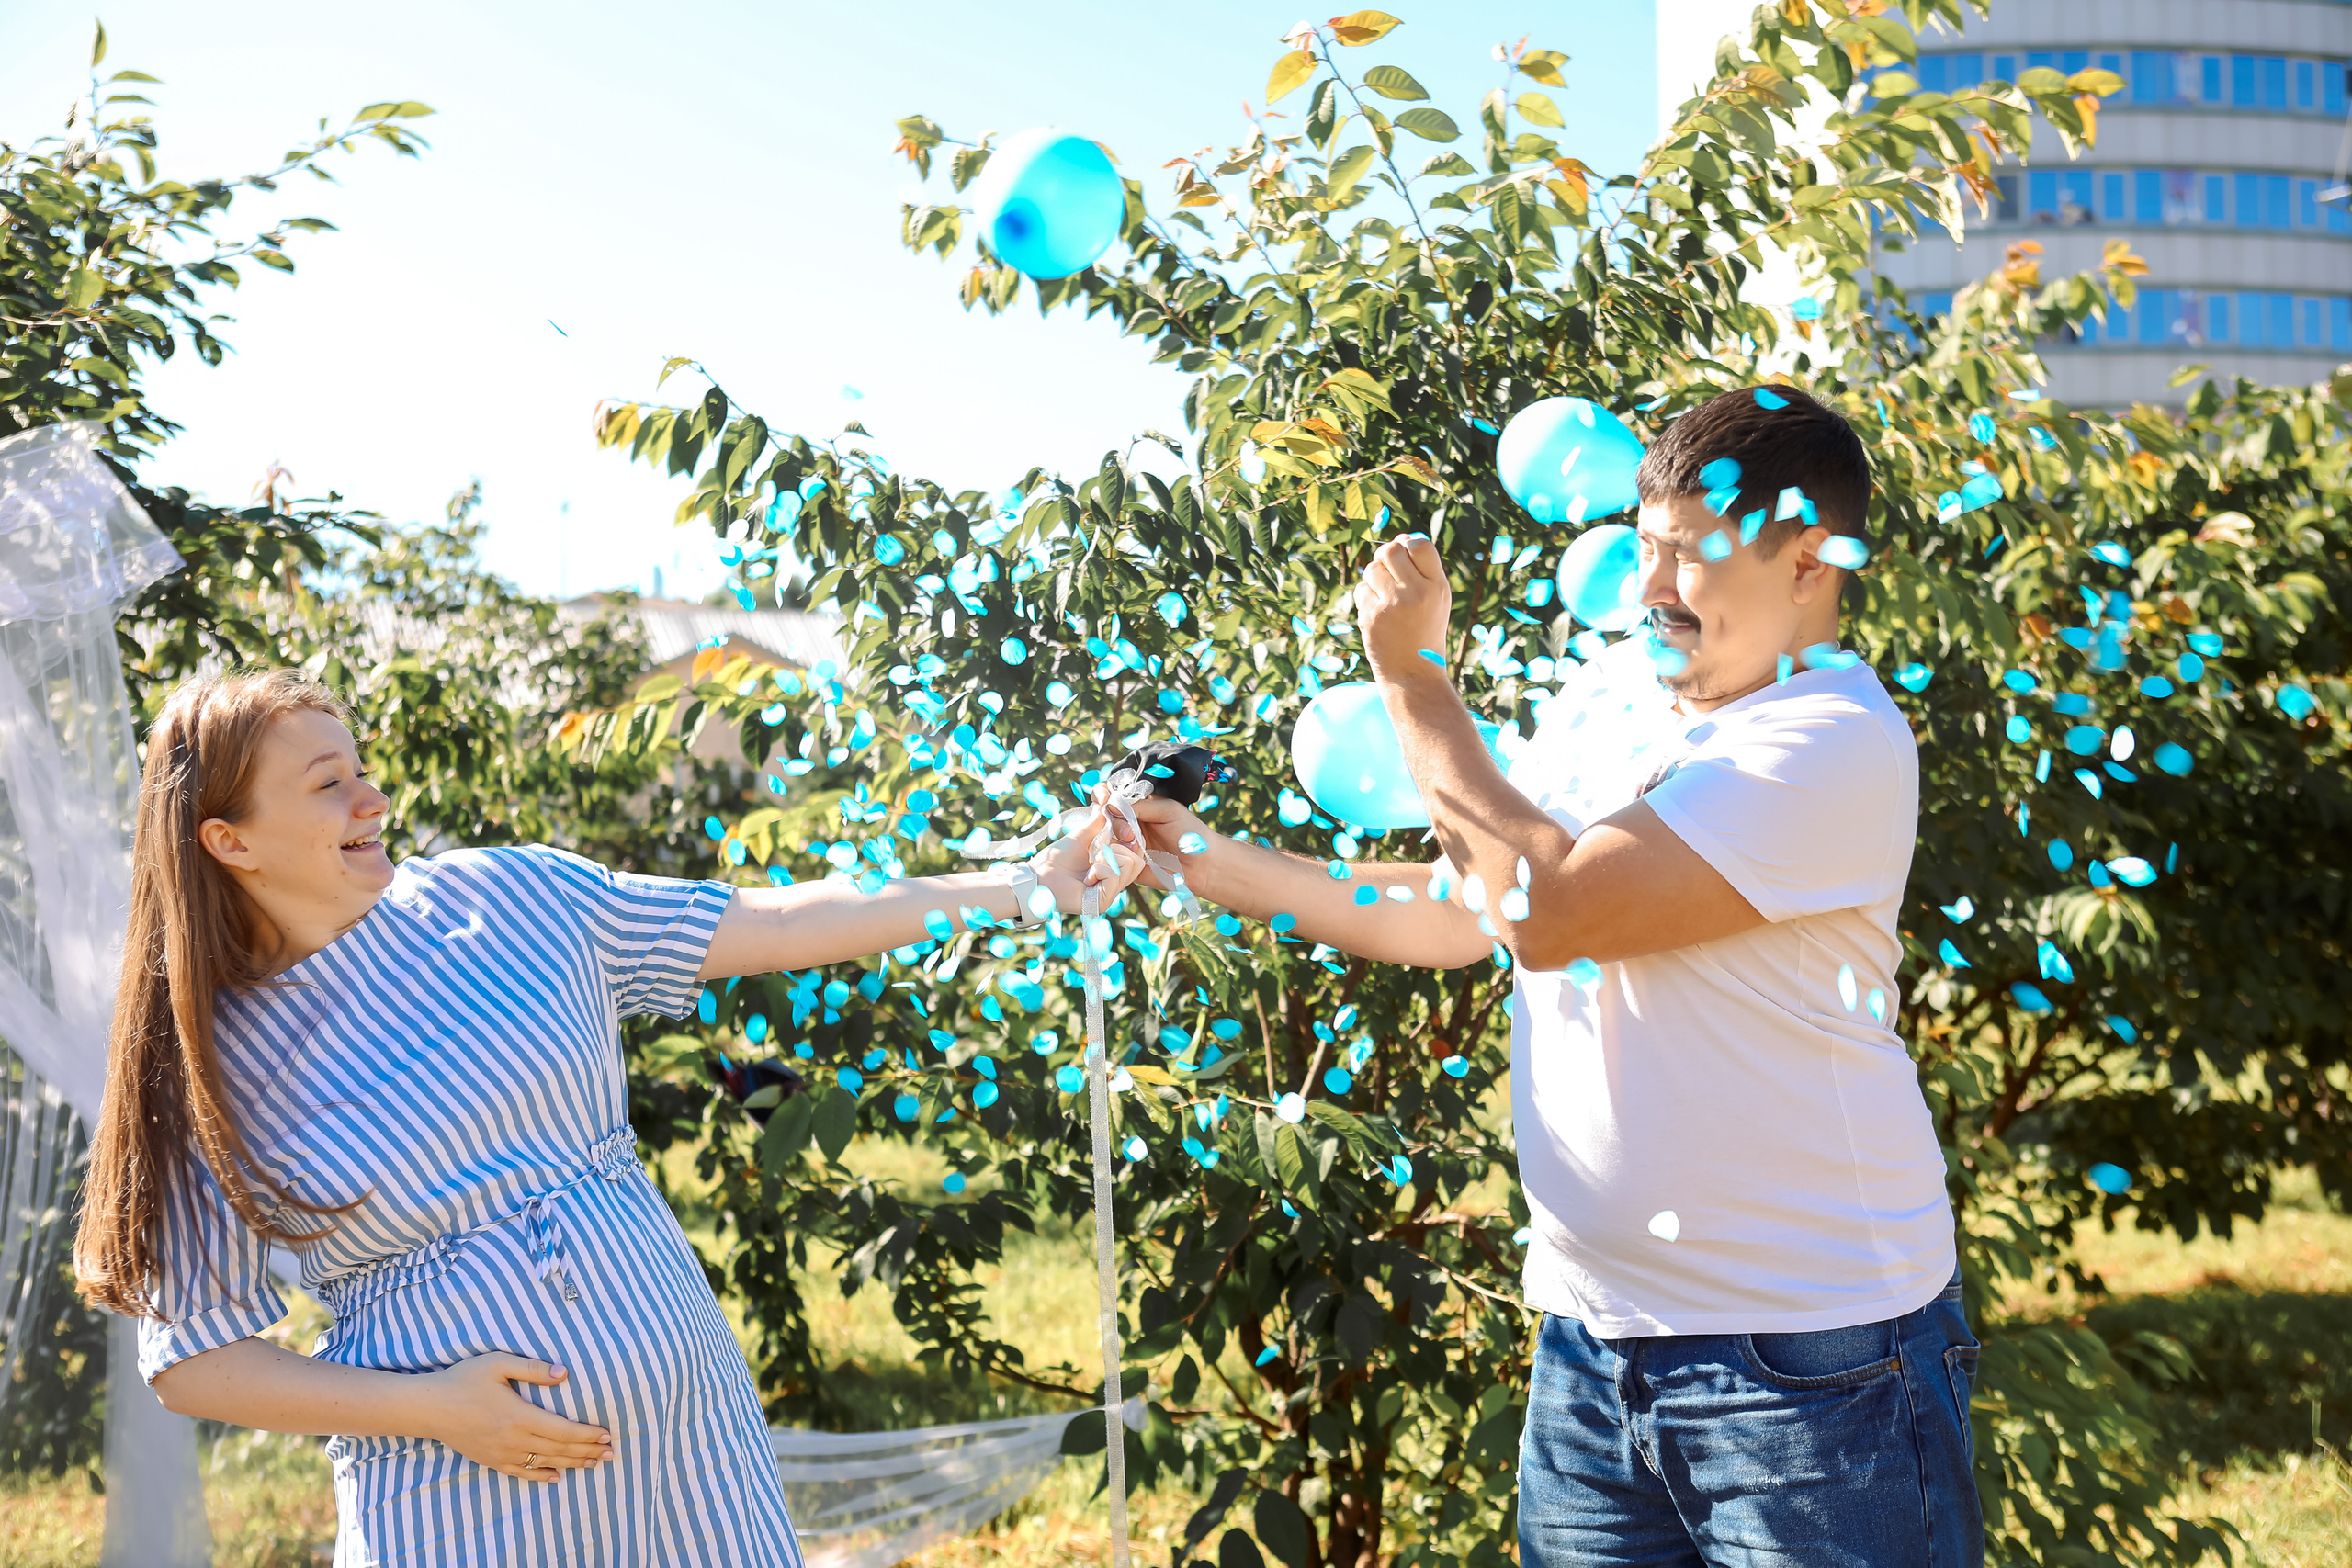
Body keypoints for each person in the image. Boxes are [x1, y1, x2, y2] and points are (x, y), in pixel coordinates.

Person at [1122, 386, 1981, 1566]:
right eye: (1645, 547)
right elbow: (1461, 905)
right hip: (1591, 1344)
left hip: (1808, 1360)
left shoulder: (1830, 739)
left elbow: (1552, 909)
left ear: (1808, 564)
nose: (1652, 590)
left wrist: (1415, 683)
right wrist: (1205, 859)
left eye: (1696, 556)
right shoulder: (1613, 696)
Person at [73, 669, 1145, 1566]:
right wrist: (441, 1410)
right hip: (465, 1494)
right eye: (328, 786)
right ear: (231, 841)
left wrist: (1025, 884)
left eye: (362, 772)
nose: (373, 802)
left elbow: (770, 921)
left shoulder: (510, 900)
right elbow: (194, 1361)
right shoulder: (210, 1064)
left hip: (689, 1449)